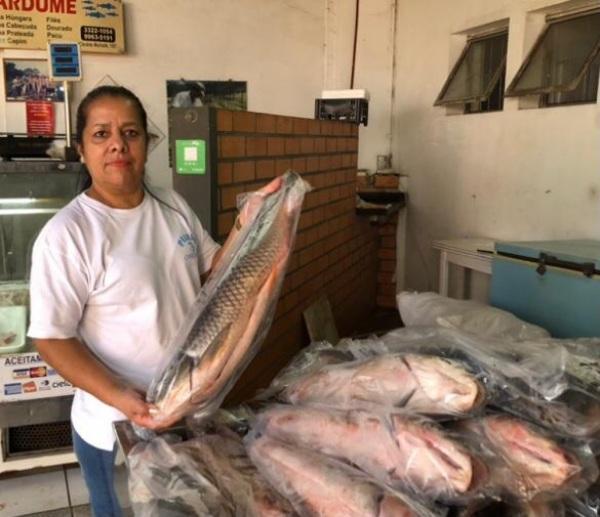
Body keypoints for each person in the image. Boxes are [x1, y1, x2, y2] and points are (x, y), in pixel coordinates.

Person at [27, 85, 226, 516]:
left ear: (147, 145)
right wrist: (121, 396)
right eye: (101, 134)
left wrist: (258, 226)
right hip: (116, 429)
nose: (118, 143)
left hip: (186, 414)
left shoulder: (172, 206)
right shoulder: (68, 235)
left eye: (130, 132)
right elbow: (51, 338)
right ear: (81, 149)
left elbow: (214, 270)